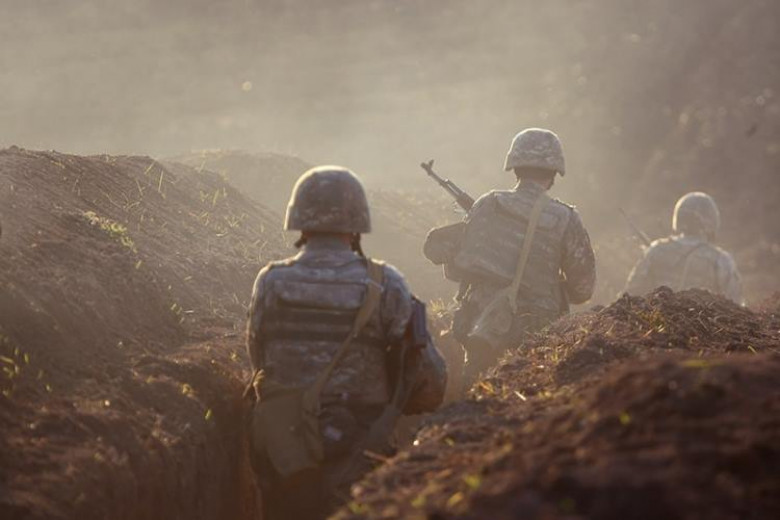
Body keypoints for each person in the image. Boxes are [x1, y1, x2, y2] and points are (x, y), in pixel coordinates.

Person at [245, 166, 447, 520]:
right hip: (360, 448)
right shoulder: (386, 283)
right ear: (356, 224)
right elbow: (429, 379)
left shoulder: (271, 282)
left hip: (286, 451)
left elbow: (258, 358)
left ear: (299, 221)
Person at [424, 128, 596, 385]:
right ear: (554, 172)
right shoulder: (566, 218)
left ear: (514, 166)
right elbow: (583, 289)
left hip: (482, 327)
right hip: (538, 337)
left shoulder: (487, 204)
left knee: (472, 392)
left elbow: (457, 270)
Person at [625, 191, 742, 303]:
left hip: (657, 316)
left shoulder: (656, 250)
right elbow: (735, 306)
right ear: (710, 220)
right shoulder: (720, 260)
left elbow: (631, 294)